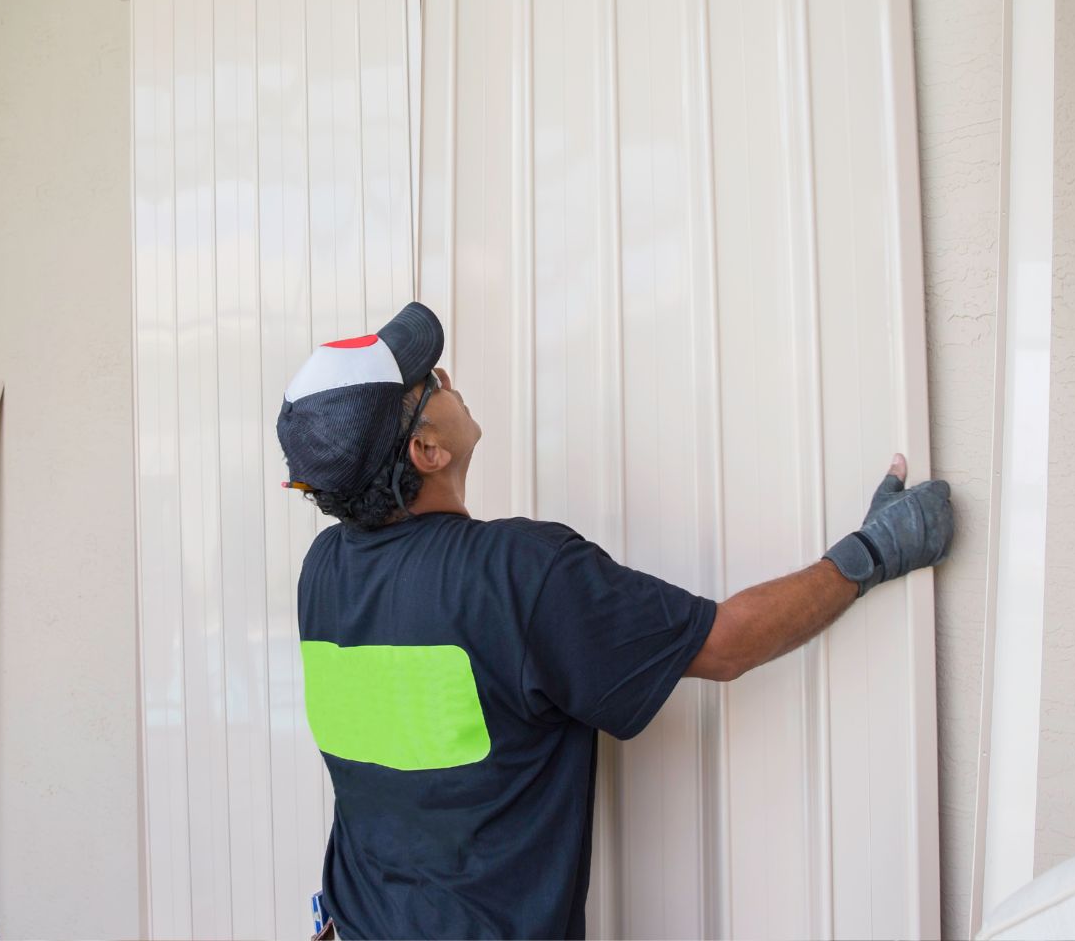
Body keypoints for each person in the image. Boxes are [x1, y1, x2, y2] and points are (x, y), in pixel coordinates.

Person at [277, 302, 954, 940]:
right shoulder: (516, 573)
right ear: (428, 451)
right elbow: (723, 645)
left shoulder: (323, 570)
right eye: (431, 380)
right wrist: (872, 554)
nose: (448, 379)